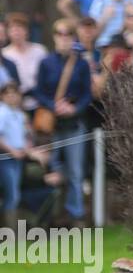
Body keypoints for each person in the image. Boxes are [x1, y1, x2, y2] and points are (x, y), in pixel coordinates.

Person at [32, 20, 92, 225]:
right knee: (52, 169)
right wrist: (52, 105)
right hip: (51, 126)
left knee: (75, 172)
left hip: (74, 124)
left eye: (68, 34)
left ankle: (76, 215)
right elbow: (38, 91)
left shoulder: (81, 64)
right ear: (54, 36)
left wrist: (74, 108)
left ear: (73, 37)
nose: (64, 38)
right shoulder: (46, 62)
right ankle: (52, 215)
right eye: (60, 34)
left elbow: (87, 94)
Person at [0, 80, 47, 230]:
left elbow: (24, 140)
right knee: (12, 195)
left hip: (17, 160)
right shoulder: (2, 112)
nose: (12, 97)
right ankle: (10, 234)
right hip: (6, 160)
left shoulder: (19, 114)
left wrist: (31, 151)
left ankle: (11, 232)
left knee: (14, 194)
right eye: (8, 94)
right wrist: (12, 151)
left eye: (15, 93)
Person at [3, 13, 48, 111]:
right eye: (12, 29)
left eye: (19, 28)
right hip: (15, 105)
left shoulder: (40, 50)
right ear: (8, 33)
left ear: (27, 31)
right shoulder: (4, 54)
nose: (16, 32)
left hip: (40, 103)